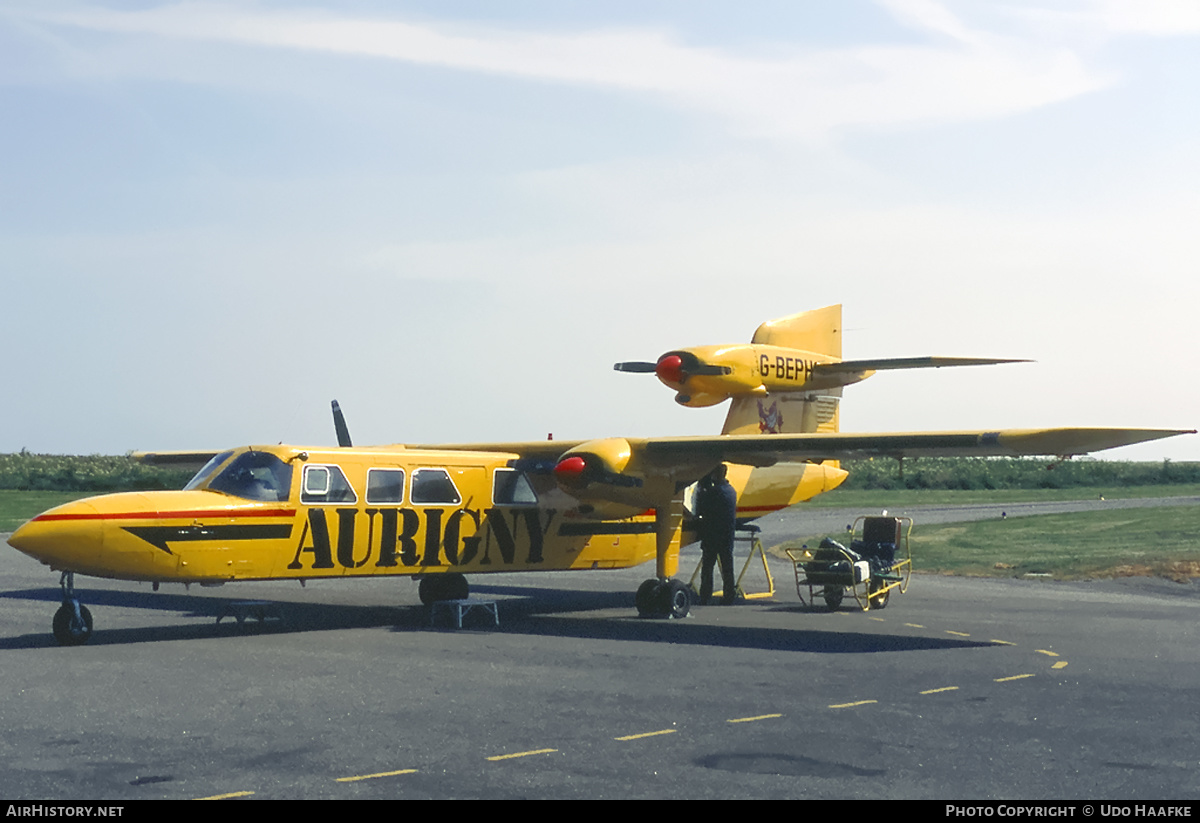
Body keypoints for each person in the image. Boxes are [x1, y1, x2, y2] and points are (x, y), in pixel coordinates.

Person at [695, 464, 738, 605]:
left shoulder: (715, 492)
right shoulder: (731, 491)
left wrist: (702, 488)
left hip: (713, 535)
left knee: (708, 567)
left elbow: (702, 507)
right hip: (726, 535)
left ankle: (705, 595)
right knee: (727, 568)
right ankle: (729, 595)